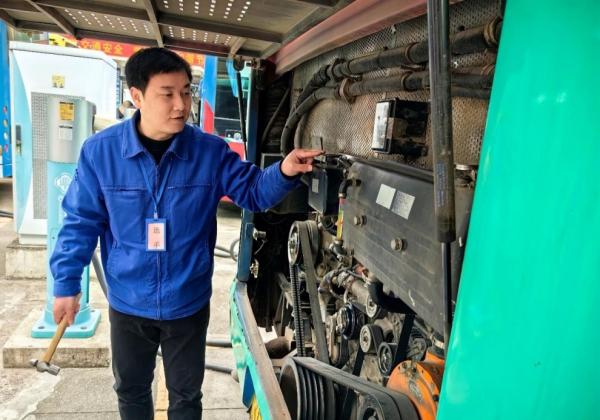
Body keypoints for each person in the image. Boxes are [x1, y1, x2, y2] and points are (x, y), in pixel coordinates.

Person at [50, 47, 322, 419]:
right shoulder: (101, 153)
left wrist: (285, 170)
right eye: (167, 94)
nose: (181, 104)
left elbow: (254, 192)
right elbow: (80, 223)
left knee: (186, 396)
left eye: (185, 92)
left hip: (187, 302)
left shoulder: (209, 151)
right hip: (128, 301)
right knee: (130, 389)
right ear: (137, 96)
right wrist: (65, 285)